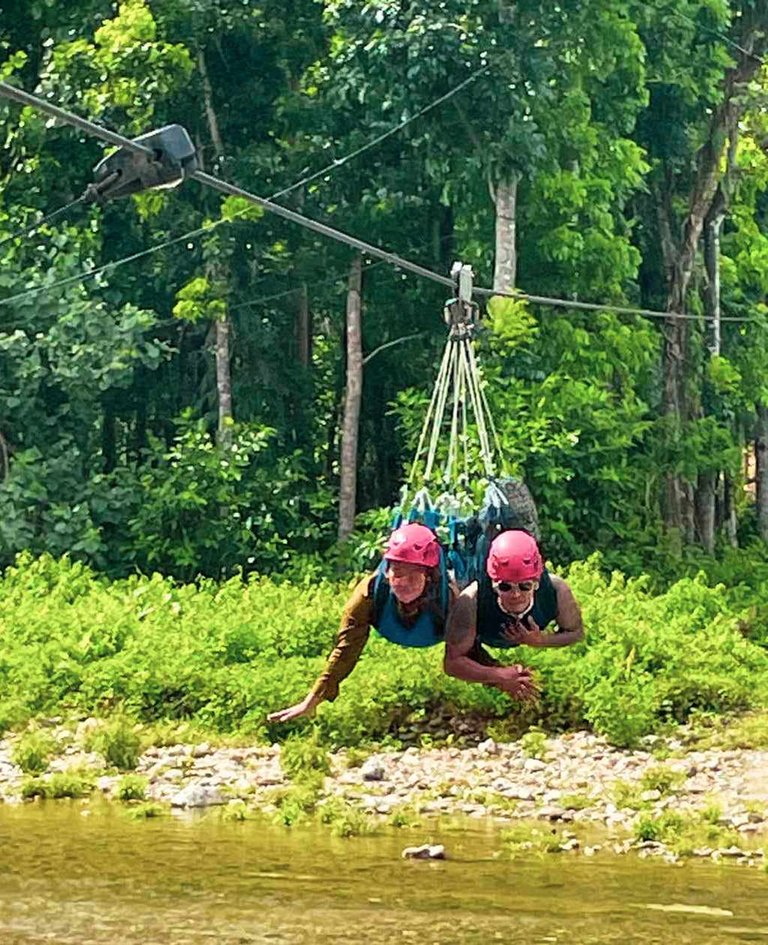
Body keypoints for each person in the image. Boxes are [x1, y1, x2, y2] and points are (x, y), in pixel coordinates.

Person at [267, 522, 452, 723]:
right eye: (397, 574)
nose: (404, 584)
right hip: (393, 624)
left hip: (437, 625)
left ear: (429, 576)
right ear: (388, 572)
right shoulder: (369, 595)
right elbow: (346, 649)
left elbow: (468, 647)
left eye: (413, 576)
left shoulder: (450, 599)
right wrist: (312, 700)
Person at [444, 529, 584, 699]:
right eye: (505, 587)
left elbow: (576, 633)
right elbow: (452, 662)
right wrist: (499, 675)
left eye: (525, 586)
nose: (515, 594)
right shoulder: (471, 600)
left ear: (536, 583)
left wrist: (540, 640)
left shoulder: (556, 591)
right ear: (494, 585)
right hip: (483, 632)